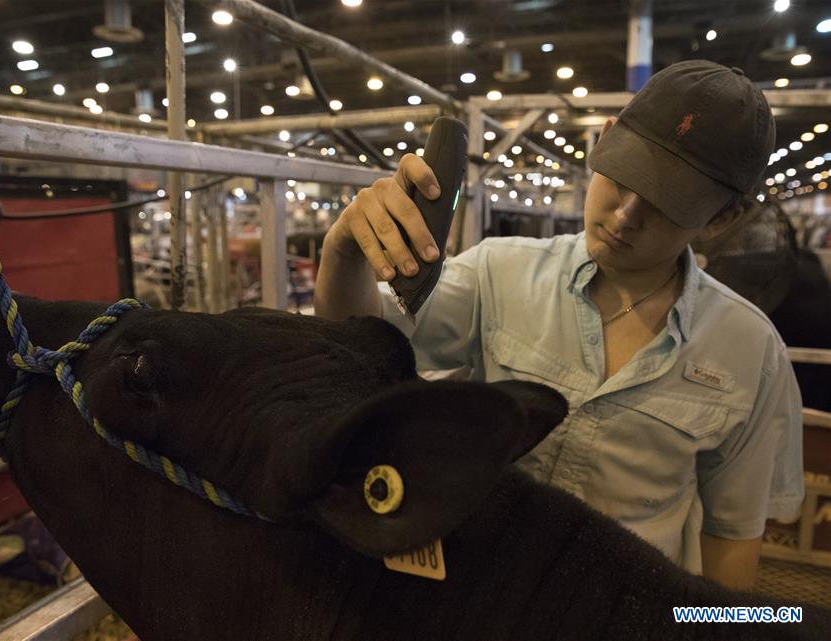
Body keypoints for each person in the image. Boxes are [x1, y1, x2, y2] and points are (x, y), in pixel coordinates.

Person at [314, 60, 804, 590]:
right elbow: (357, 344)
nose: (625, 216)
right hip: (483, 595)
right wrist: (343, 254)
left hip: (628, 610)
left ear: (722, 218)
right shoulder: (499, 273)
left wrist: (708, 624)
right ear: (606, 138)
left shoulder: (750, 351)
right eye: (622, 177)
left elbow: (731, 545)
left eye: (666, 204)